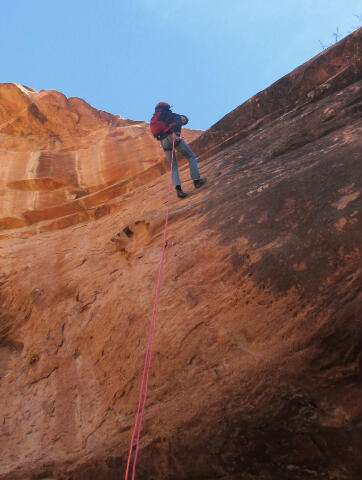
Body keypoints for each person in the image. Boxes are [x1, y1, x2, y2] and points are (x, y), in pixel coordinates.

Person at [150, 102, 206, 198]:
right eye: (184, 120)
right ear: (182, 117)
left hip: (163, 142)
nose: (184, 122)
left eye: (184, 122)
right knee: (191, 156)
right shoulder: (176, 116)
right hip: (172, 137)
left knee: (174, 167)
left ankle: (179, 191)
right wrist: (175, 135)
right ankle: (197, 181)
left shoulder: (160, 116)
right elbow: (176, 124)